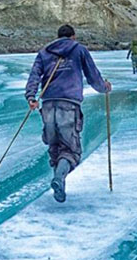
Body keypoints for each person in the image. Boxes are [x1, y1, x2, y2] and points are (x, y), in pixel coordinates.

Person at [25, 24, 112, 203]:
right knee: (71, 151)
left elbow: (34, 75)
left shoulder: (44, 53)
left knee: (55, 148)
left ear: (57, 37)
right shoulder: (79, 50)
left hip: (48, 105)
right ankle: (59, 179)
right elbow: (92, 76)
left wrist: (31, 97)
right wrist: (104, 88)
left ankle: (60, 182)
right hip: (69, 105)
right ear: (73, 37)